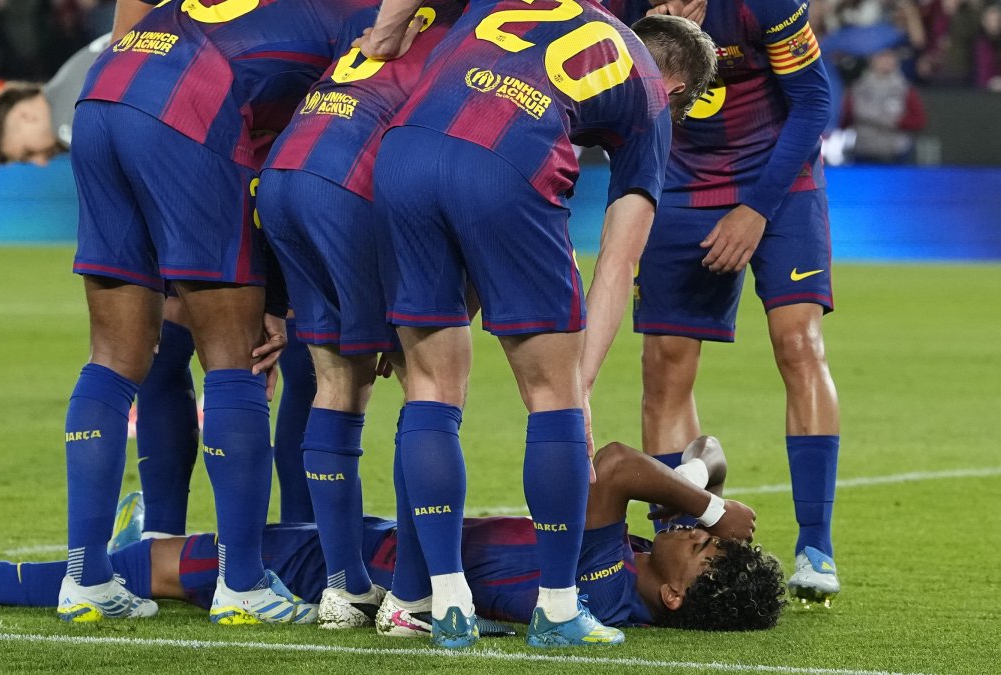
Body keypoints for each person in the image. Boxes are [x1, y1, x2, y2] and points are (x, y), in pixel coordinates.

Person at [359, 0, 715, 648]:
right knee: (550, 396)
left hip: (403, 151)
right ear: (681, 86)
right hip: (508, 160)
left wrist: (386, 25)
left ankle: (432, 599)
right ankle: (557, 607)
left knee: (430, 386)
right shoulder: (648, 95)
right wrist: (579, 385)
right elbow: (618, 260)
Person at [52, 0, 373, 625]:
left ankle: (85, 578)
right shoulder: (365, 21)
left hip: (107, 89)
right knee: (237, 358)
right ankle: (244, 584)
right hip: (195, 101)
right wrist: (276, 299)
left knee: (115, 356)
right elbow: (302, 162)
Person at [0, 436, 784, 635]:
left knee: (148, 569)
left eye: (698, 554)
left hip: (354, 571)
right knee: (200, 541)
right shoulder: (634, 569)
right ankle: (138, 548)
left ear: (671, 591)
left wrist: (705, 508)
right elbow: (693, 456)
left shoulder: (595, 576)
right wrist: (703, 488)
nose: (693, 538)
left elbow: (620, 463)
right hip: (374, 544)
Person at [0, 32, 319, 531]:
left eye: (25, 151)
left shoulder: (74, 105)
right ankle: (300, 533)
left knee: (174, 359)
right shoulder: (103, 52)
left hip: (225, 178)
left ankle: (165, 536)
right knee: (301, 369)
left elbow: (143, 186)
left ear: (23, 114)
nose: (38, 159)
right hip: (274, 159)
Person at [605, 0, 843, 606]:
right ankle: (674, 535)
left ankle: (816, 547)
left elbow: (814, 100)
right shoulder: (616, 6)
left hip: (780, 183)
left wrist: (756, 208)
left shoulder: (764, 4)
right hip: (679, 181)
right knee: (665, 364)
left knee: (798, 344)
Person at [257, 0, 466, 630]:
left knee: (337, 382)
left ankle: (344, 588)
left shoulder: (398, 25)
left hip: (287, 174)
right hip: (351, 181)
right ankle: (410, 596)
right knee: (427, 378)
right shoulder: (480, 40)